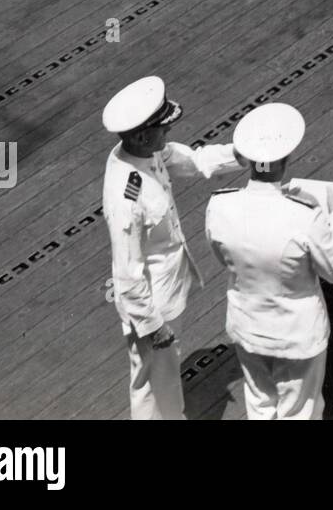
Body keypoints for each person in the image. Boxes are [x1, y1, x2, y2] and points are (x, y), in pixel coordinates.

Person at [101, 75, 240, 420]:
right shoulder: (127, 195)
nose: (168, 135)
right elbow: (127, 272)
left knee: (162, 374)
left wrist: (244, 155)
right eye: (163, 130)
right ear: (143, 134)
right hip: (151, 304)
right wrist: (152, 325)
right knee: (151, 383)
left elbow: (193, 161)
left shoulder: (145, 150)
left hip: (165, 290)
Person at [206, 102, 333, 420]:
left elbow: (222, 256)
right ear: (286, 159)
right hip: (297, 336)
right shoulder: (304, 215)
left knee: (259, 404)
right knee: (299, 411)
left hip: (248, 328)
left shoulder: (219, 206)